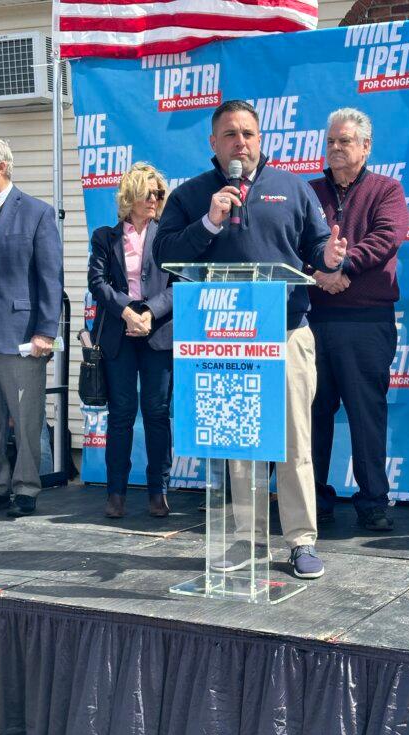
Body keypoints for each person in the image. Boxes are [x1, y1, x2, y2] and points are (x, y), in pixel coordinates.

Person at [154, 99, 347, 579]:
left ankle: (301, 540)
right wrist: (210, 222)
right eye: (231, 134)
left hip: (284, 334)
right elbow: (165, 254)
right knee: (240, 447)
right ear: (213, 143)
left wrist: (330, 256)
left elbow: (317, 251)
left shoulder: (292, 188)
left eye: (249, 134)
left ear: (261, 140)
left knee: (294, 444)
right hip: (226, 341)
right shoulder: (193, 194)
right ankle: (248, 540)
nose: (241, 142)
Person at [308, 108, 409, 531]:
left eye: (344, 141)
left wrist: (341, 267)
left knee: (367, 416)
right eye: (330, 141)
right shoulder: (309, 191)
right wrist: (317, 273)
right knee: (311, 417)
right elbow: (291, 242)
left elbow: (387, 238)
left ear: (365, 147)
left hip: (367, 322)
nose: (335, 148)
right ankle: (313, 501)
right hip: (312, 320)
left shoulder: (387, 190)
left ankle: (372, 503)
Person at [0, 134, 63, 518]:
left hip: (21, 333)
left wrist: (45, 332)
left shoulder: (36, 213)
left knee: (26, 415)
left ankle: (25, 488)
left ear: (1, 166)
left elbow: (50, 278)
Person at [88, 163, 173, 519]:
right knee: (121, 414)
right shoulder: (105, 237)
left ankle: (158, 492)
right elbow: (98, 282)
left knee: (156, 413)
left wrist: (150, 314)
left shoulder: (169, 235)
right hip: (118, 337)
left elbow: (177, 286)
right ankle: (116, 493)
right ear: (131, 196)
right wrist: (127, 312)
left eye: (159, 193)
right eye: (148, 192)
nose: (154, 199)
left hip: (157, 333)